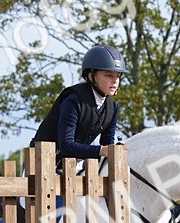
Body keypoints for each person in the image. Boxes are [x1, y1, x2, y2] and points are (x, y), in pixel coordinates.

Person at [31, 44, 126, 172]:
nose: (115, 81)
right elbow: (66, 146)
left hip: (73, 167)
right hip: (41, 164)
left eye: (118, 76)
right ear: (91, 76)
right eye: (108, 75)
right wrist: (100, 150)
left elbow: (107, 145)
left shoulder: (112, 108)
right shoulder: (73, 100)